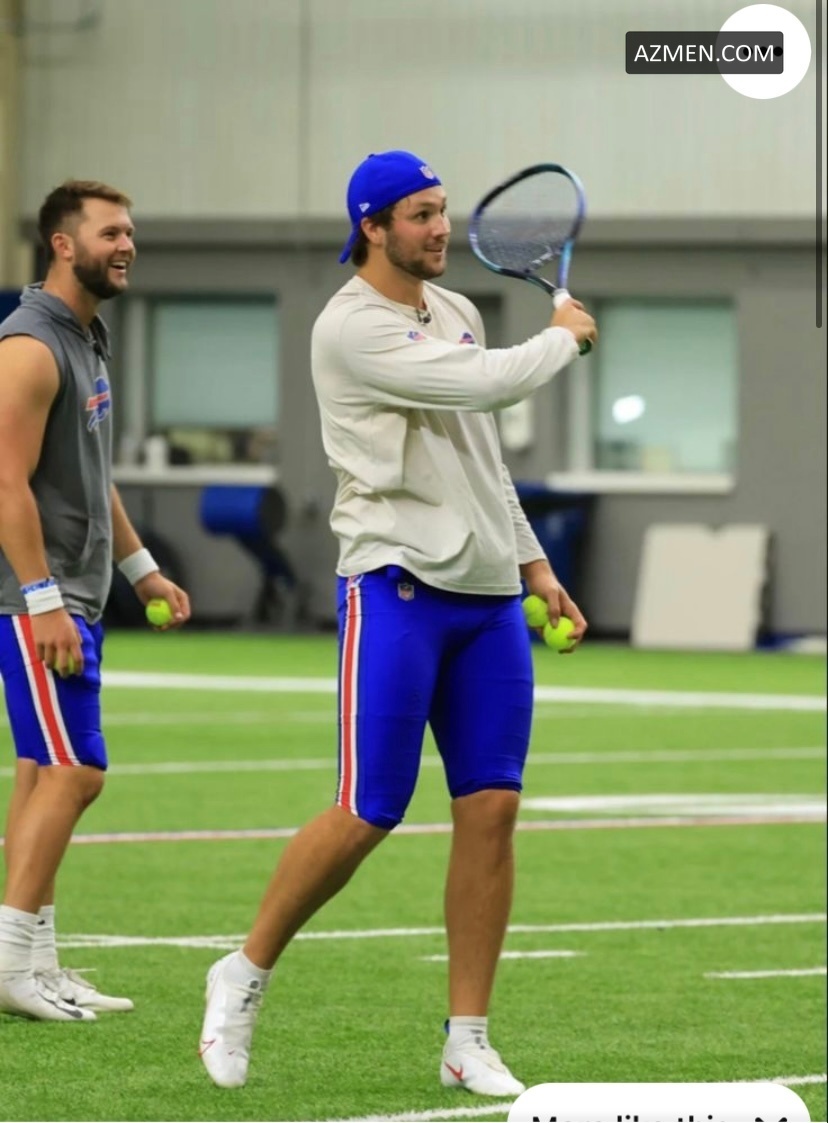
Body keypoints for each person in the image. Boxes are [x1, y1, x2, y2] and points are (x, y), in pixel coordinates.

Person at [199, 150, 596, 1094]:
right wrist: (563, 340)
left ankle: (467, 1039)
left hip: (489, 602)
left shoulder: (454, 310)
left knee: (492, 808)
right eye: (419, 214)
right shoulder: (349, 328)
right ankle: (242, 972)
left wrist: (535, 564)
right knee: (368, 807)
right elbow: (486, 385)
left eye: (443, 210)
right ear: (372, 227)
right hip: (396, 587)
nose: (440, 227)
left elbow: (482, 455)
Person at [0, 180, 191, 1021]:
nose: (127, 245)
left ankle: (37, 962)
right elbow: (5, 481)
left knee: (41, 772)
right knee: (77, 771)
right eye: (110, 232)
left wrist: (141, 568)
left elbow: (92, 472)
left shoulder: (87, 337)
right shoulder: (30, 346)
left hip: (74, 593)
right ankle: (9, 962)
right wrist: (42, 598)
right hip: (33, 599)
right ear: (62, 244)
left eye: (130, 232)